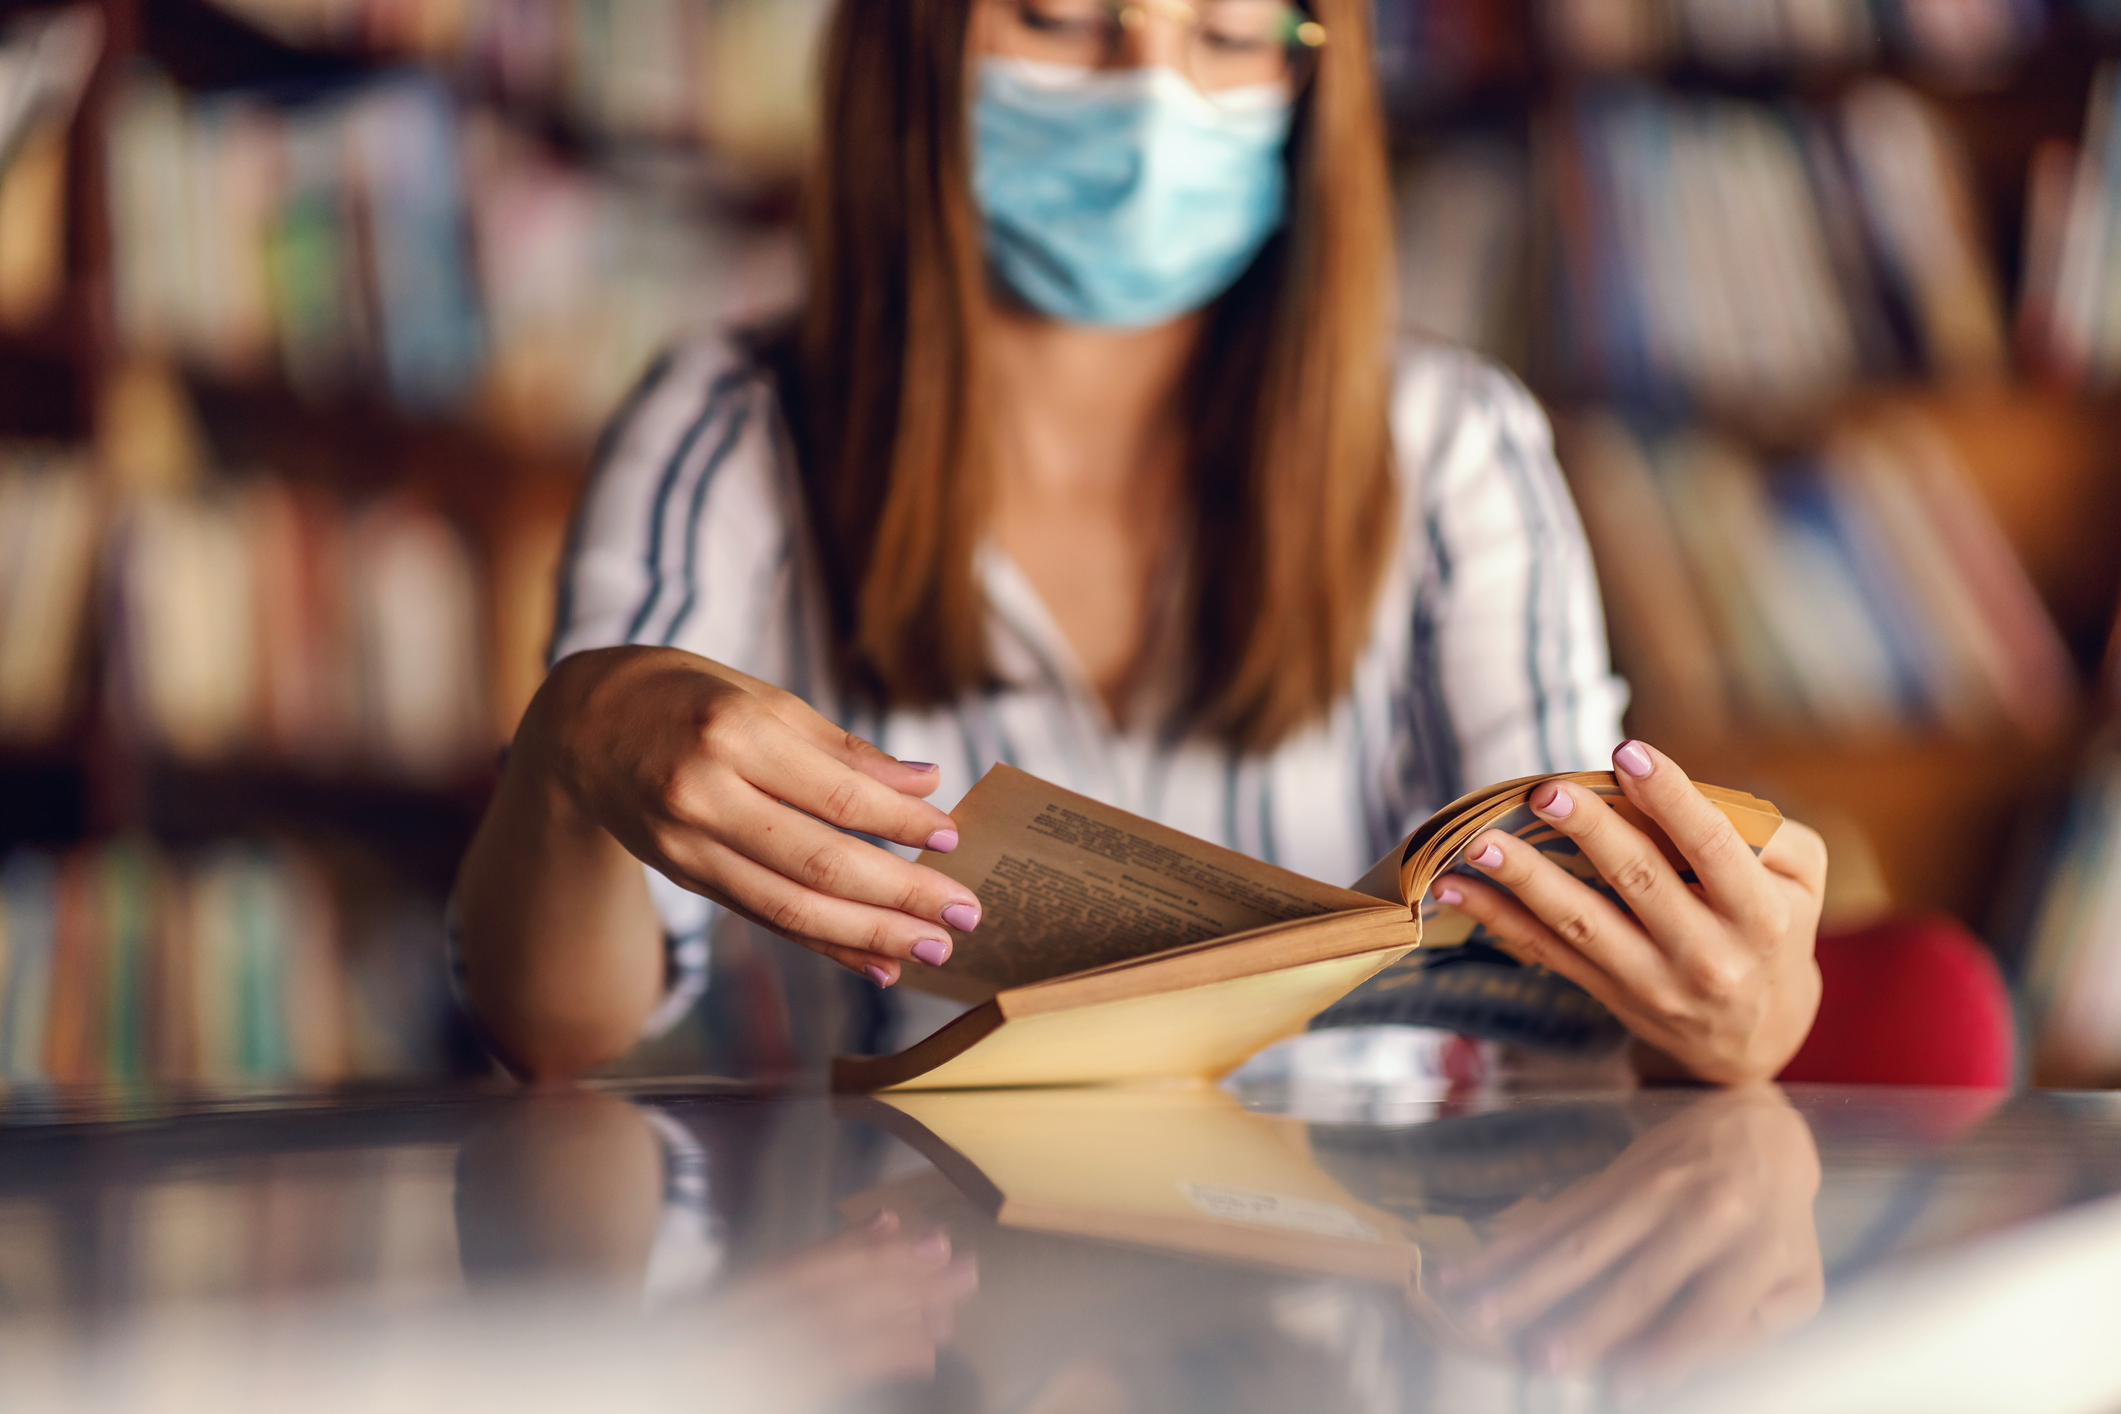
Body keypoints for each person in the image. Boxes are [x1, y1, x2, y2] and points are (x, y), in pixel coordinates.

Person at [452, 0, 1828, 1084]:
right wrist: (576, 746)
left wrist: (1737, 1010)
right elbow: (556, 1030)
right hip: (894, 1301)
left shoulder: (1457, 443)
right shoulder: (724, 429)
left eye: (1229, 32)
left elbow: (1591, 977)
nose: (1152, 95)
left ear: (1309, 83)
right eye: (1059, 19)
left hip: (1361, 1310)